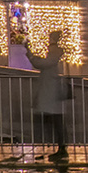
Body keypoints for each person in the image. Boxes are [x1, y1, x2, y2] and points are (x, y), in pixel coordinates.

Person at [34, 30, 71, 162]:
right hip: (55, 91)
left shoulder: (55, 52)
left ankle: (62, 148)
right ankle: (61, 148)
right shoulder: (56, 52)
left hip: (54, 92)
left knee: (57, 122)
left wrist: (31, 56)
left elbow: (45, 63)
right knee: (57, 121)